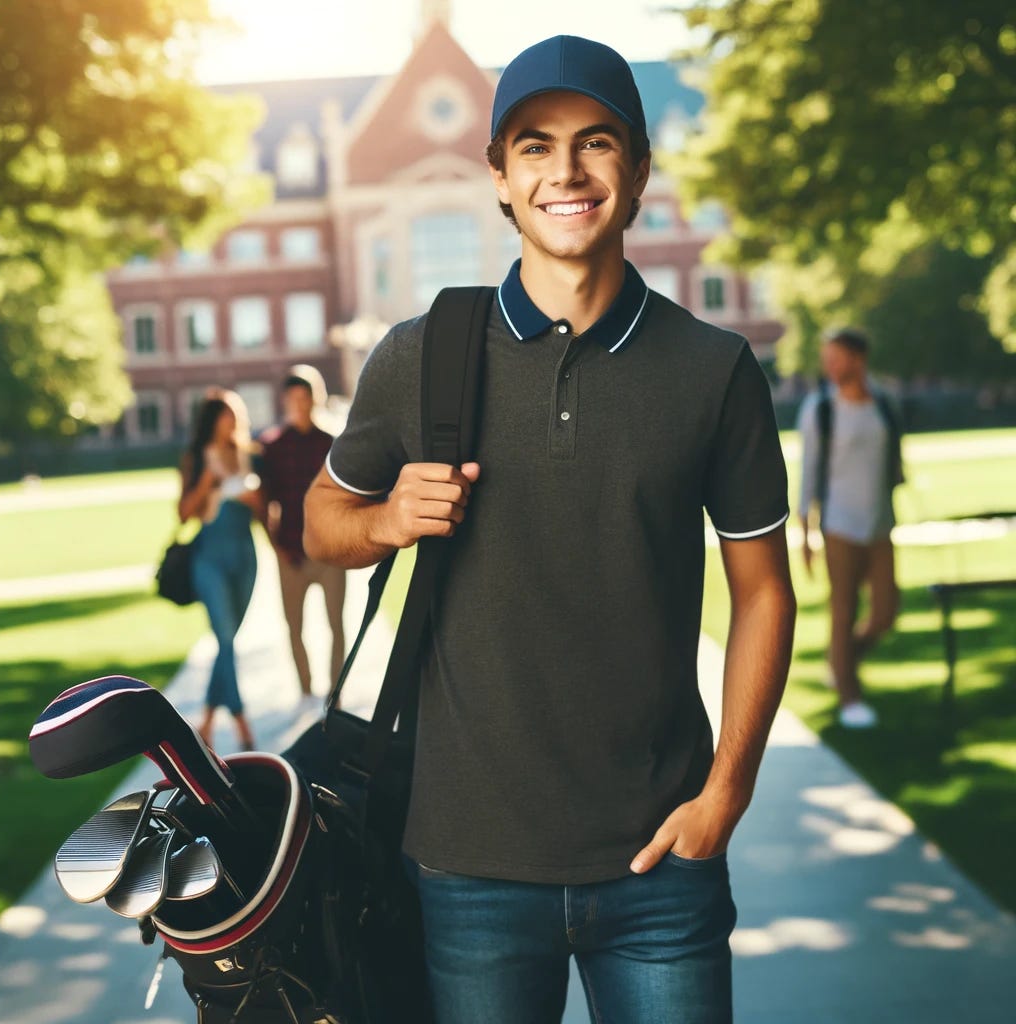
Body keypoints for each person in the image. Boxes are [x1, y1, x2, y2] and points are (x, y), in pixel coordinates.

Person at [304, 35, 796, 1024]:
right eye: (534, 146)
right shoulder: (419, 355)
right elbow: (321, 521)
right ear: (498, 175)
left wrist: (725, 796)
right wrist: (390, 517)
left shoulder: (713, 371)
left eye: (595, 144)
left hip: (663, 860)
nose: (564, 172)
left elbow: (763, 592)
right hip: (465, 869)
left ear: (640, 168)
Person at [798, 326, 903, 729]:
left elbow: (892, 458)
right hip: (839, 526)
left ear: (858, 359)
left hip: (880, 525)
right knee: (842, 612)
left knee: (886, 612)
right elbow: (808, 471)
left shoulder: (885, 403)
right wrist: (806, 530)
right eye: (827, 359)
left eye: (836, 358)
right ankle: (849, 696)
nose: (830, 366)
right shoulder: (820, 409)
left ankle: (840, 661)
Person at [178, 388, 263, 750]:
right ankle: (243, 723)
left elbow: (264, 512)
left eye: (235, 415)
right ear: (213, 420)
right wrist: (206, 483)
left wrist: (253, 497)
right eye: (225, 415)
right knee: (226, 639)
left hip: (245, 556)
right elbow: (184, 513)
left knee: (228, 642)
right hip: (209, 558)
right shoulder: (196, 458)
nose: (232, 422)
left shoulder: (249, 456)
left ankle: (207, 724)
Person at [258, 366, 346, 709]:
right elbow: (266, 502)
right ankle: (306, 691)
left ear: (315, 399)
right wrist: (275, 547)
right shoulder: (273, 446)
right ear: (285, 401)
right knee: (294, 627)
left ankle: (335, 692)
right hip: (290, 553)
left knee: (336, 625)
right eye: (292, 398)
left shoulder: (332, 444)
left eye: (305, 397)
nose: (299, 404)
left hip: (329, 552)